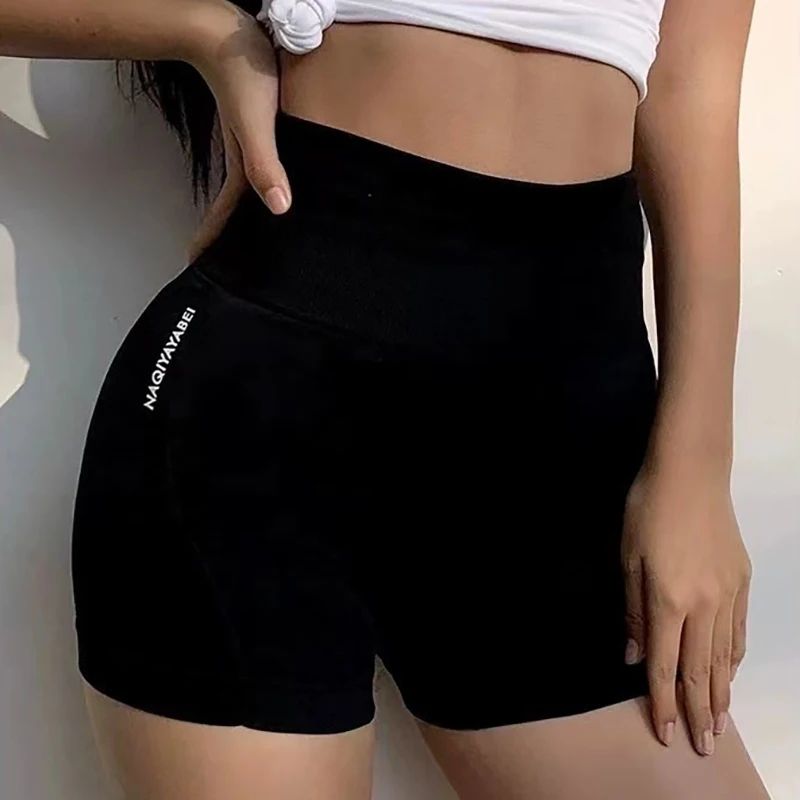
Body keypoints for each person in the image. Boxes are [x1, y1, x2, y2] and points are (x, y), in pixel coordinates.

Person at [1, 0, 771, 797]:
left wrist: (697, 469)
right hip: (257, 419)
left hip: (566, 435)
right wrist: (203, 33)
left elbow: (692, 95)